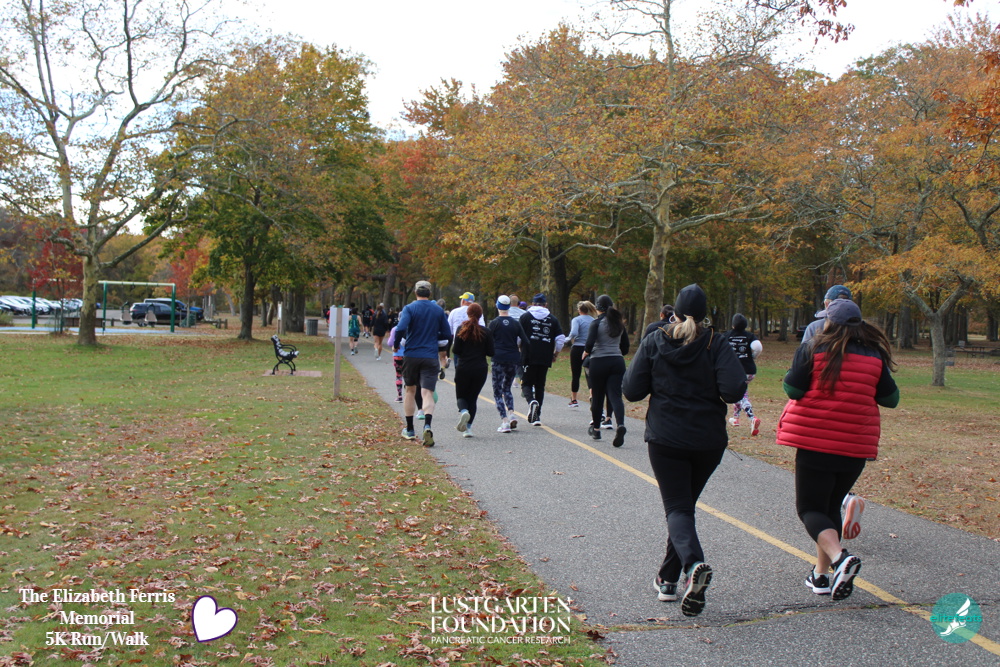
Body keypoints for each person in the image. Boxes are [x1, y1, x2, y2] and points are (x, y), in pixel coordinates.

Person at [622, 284, 746, 617]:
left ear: (673, 311)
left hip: (666, 439)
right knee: (684, 507)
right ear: (706, 315)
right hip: (707, 441)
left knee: (678, 509)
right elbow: (733, 389)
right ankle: (667, 579)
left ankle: (692, 566)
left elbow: (631, 390)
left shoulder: (656, 340)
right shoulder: (715, 343)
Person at [776, 299, 898, 601]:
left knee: (810, 509)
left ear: (829, 322)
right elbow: (891, 398)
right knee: (830, 508)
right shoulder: (875, 354)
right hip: (855, 445)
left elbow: (793, 389)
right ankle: (821, 576)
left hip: (816, 441)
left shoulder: (813, 348)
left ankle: (840, 558)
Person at [393, 280, 453, 448]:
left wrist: (397, 344)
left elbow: (401, 328)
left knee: (410, 391)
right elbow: (447, 333)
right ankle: (427, 426)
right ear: (430, 293)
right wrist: (433, 336)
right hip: (430, 356)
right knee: (427, 393)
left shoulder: (409, 308)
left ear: (415, 292)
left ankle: (410, 429)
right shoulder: (438, 310)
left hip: (412, 355)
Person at [584, 295, 630, 447]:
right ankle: (621, 424)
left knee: (597, 397)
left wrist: (585, 353)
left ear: (597, 308)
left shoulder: (596, 323)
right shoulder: (619, 324)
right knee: (615, 396)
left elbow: (589, 344)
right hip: (617, 362)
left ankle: (596, 429)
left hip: (599, 361)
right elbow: (625, 347)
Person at [519, 293, 566, 427]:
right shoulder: (552, 319)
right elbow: (560, 339)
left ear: (533, 304)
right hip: (545, 356)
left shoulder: (525, 317)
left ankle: (531, 402)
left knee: (526, 383)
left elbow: (518, 337)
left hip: (528, 355)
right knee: (540, 385)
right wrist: (555, 353)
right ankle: (537, 416)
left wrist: (519, 349)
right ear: (546, 305)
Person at [452, 303, 495, 438]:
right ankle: (468, 428)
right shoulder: (486, 332)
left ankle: (464, 411)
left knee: (461, 396)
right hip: (480, 369)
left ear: (468, 314)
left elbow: (456, 350)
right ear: (481, 315)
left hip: (463, 367)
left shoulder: (461, 329)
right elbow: (491, 352)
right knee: (473, 398)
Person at [487, 295, 529, 433]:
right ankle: (511, 414)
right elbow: (525, 341)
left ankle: (504, 422)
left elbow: (487, 340)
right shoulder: (516, 323)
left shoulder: (494, 323)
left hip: (498, 358)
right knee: (507, 388)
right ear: (509, 306)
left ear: (497, 306)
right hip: (513, 358)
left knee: (497, 391)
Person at [724, 313, 763, 435]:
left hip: (734, 371)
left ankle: (752, 418)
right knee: (739, 391)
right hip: (749, 370)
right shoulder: (750, 336)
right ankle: (735, 418)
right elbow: (758, 347)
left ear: (733, 325)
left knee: (740, 394)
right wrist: (753, 357)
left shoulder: (727, 335)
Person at [567, 301, 598, 408]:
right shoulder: (593, 320)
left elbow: (574, 332)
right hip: (589, 349)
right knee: (589, 373)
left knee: (575, 374)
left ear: (579, 310)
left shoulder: (576, 320)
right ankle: (591, 395)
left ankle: (574, 399)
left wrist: (568, 338)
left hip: (577, 348)